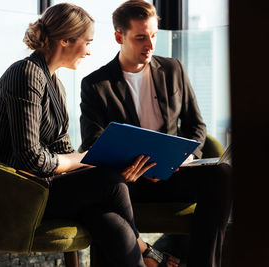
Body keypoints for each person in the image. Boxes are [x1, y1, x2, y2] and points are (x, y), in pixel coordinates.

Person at [0, 3, 180, 267]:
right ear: (65, 40)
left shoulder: (54, 83)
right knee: (110, 182)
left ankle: (144, 254)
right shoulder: (26, 74)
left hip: (40, 187)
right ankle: (145, 250)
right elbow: (30, 159)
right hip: (15, 194)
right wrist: (85, 160)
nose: (89, 51)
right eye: (87, 42)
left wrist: (98, 161)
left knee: (110, 222)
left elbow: (62, 148)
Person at [79, 1, 232, 267]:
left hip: (175, 174)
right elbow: (93, 140)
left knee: (222, 175)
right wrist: (125, 166)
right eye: (140, 38)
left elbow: (197, 126)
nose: (150, 45)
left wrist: (186, 157)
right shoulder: (96, 84)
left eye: (153, 35)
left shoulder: (173, 69)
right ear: (119, 37)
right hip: (129, 183)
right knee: (103, 192)